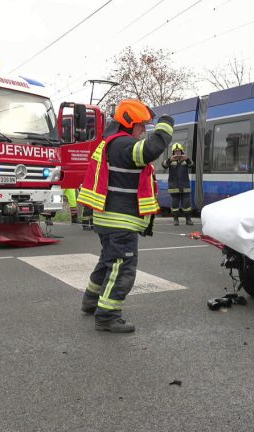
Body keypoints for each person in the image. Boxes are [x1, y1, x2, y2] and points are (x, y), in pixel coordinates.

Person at [77, 99, 173, 333]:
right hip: (121, 220)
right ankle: (108, 316)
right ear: (129, 123)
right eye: (141, 126)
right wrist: (165, 127)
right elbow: (150, 150)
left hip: (108, 219)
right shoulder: (123, 144)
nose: (143, 131)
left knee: (108, 263)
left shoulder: (111, 143)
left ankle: (91, 301)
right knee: (122, 267)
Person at [161, 142, 194, 226]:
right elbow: (164, 165)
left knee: (187, 204)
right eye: (175, 152)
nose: (177, 153)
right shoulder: (170, 160)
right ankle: (176, 219)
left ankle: (188, 219)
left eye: (179, 151)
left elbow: (192, 165)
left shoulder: (185, 160)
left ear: (181, 151)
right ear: (173, 152)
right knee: (175, 204)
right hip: (174, 186)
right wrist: (169, 159)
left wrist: (187, 159)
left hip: (185, 186)